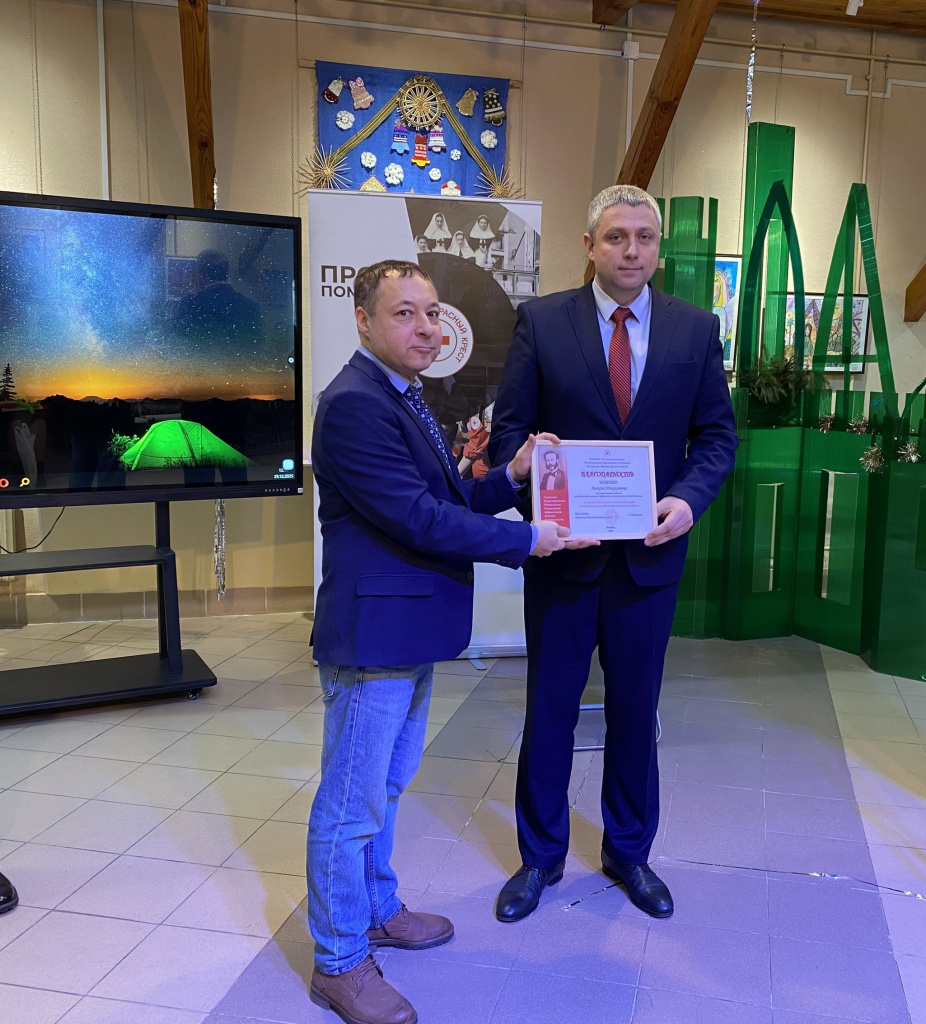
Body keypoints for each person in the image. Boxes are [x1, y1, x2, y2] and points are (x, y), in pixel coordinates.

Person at [307, 259, 595, 1024]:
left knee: (384, 790)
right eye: (404, 313)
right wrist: (529, 539)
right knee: (349, 807)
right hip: (374, 638)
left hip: (408, 631)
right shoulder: (354, 404)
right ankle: (339, 960)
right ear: (363, 321)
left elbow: (450, 497)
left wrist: (514, 474)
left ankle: (377, 910)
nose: (426, 327)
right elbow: (417, 518)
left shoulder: (402, 395)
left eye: (432, 312)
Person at [488, 184, 738, 924]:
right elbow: (510, 435)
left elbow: (716, 436)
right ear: (590, 246)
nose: (632, 251)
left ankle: (629, 852)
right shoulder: (542, 322)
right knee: (550, 712)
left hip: (649, 562)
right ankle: (540, 857)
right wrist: (541, 500)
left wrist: (687, 501)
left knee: (635, 711)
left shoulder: (695, 329)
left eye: (644, 238)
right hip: (564, 559)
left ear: (658, 247)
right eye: (617, 237)